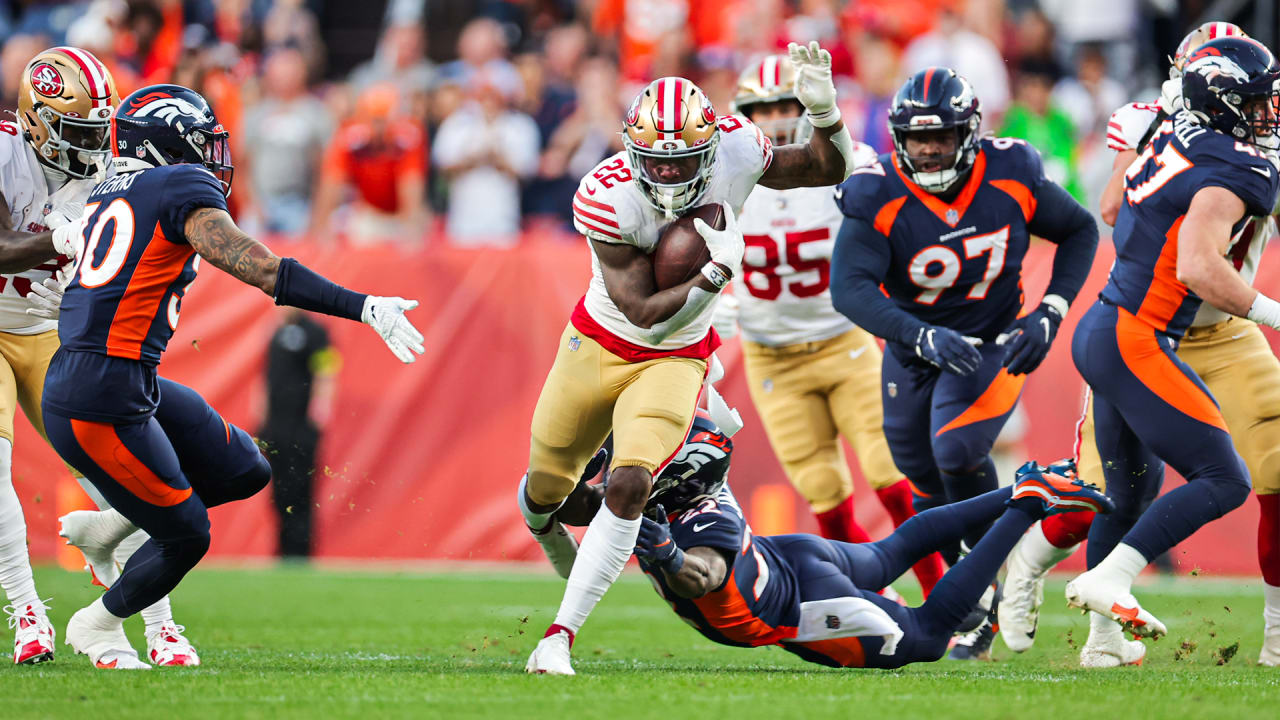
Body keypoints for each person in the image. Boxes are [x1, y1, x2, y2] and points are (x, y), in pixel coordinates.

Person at [15, 83, 424, 670]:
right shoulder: (179, 185)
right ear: (168, 144)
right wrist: (364, 306)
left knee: (243, 469)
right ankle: (97, 624)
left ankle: (110, 527)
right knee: (187, 535)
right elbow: (262, 269)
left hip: (119, 380)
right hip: (100, 394)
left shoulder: (108, 188)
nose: (211, 156)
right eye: (200, 142)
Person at [518, 42, 871, 676]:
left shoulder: (739, 146)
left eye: (686, 164)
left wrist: (825, 112)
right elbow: (641, 310)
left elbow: (826, 167)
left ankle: (558, 637)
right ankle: (546, 525)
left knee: (629, 483)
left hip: (676, 359)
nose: (674, 178)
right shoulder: (607, 193)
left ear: (711, 148)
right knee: (546, 493)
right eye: (660, 163)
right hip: (600, 343)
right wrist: (713, 274)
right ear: (634, 153)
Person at [1001, 25, 1280, 668]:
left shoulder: (1218, 140)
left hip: (1199, 329)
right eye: (1258, 98)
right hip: (1149, 328)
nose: (1269, 111)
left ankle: (1259, 637)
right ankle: (1046, 574)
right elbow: (1126, 217)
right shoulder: (1193, 140)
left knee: (1227, 478)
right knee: (1127, 490)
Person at [828, 67, 1100, 659]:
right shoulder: (877, 189)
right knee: (921, 472)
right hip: (915, 349)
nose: (928, 149)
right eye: (918, 137)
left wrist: (1051, 310)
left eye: (942, 136)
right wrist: (919, 336)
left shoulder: (1012, 170)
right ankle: (981, 588)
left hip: (992, 342)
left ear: (969, 133)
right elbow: (848, 287)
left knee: (956, 450)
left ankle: (1005, 585)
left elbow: (1079, 230)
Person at [558, 414, 1112, 669]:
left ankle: (1028, 503)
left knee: (926, 635)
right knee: (893, 551)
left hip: (799, 603)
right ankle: (1025, 486)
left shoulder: (696, 518)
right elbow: (579, 496)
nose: (610, 475)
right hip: (790, 557)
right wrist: (542, 494)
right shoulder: (680, 486)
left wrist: (669, 556)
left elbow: (704, 574)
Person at [713, 54, 945, 595]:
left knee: (892, 480)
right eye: (759, 108)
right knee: (826, 498)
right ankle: (872, 599)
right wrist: (708, 300)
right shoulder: (726, 180)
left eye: (783, 105)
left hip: (845, 342)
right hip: (773, 356)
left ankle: (945, 601)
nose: (771, 118)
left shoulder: (848, 164)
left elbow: (896, 222)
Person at [0, 45, 116, 666]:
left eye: (97, 129)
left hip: (46, 329)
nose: (90, 144)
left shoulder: (104, 173)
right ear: (35, 119)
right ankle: (26, 612)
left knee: (111, 468)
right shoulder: (2, 148)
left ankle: (151, 621)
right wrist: (60, 239)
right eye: (77, 130)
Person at [260, 310, 336, 559]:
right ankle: (283, 550)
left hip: (302, 425)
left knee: (302, 487)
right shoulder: (274, 331)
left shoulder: (317, 332)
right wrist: (262, 419)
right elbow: (265, 377)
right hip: (276, 426)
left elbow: (327, 372)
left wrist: (320, 410)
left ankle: (301, 551)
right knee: (279, 489)